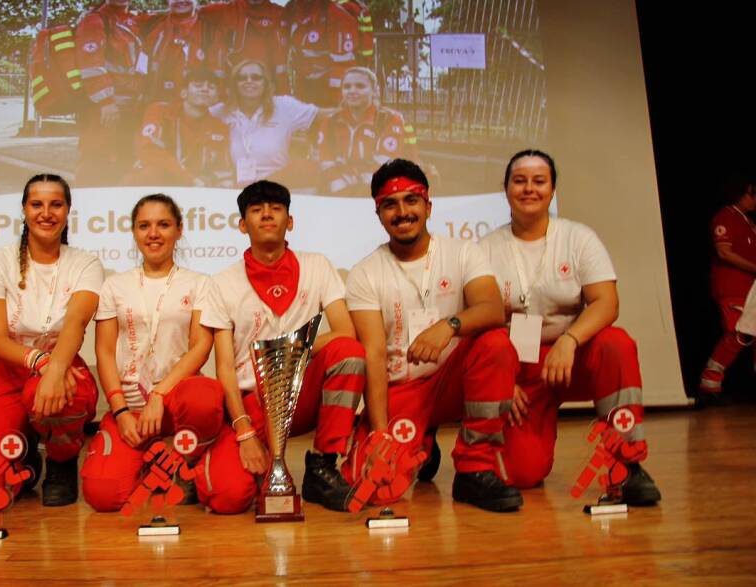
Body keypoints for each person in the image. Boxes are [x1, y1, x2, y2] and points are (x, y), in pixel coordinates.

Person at [479, 149, 661, 504]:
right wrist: (503, 378)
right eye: (519, 181)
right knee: (522, 475)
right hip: (522, 366)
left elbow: (607, 302)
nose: (529, 188)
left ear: (552, 189)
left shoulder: (578, 238)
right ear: (506, 190)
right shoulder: (486, 248)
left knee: (615, 343)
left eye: (539, 181)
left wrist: (570, 339)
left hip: (572, 357)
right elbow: (480, 320)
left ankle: (627, 465)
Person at [342, 159, 523, 513]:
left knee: (495, 342)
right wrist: (379, 433)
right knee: (373, 485)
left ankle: (475, 466)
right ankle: (423, 440)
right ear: (379, 214)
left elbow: (491, 308)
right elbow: (374, 354)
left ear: (428, 206)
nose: (402, 212)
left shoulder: (463, 252)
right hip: (405, 388)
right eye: (390, 204)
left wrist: (448, 326)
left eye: (412, 200)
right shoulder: (365, 273)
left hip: (456, 380)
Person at [195, 180, 367, 513]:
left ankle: (322, 464)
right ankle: (256, 465)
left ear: (290, 221)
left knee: (348, 352)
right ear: (242, 224)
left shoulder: (317, 265)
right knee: (227, 497)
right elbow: (225, 368)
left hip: (302, 391)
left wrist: (288, 354)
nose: (267, 216)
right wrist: (243, 430)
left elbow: (345, 330)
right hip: (255, 402)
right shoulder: (222, 283)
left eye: (276, 209)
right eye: (257, 210)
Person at [0, 174, 101, 515]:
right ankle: (23, 452)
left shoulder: (85, 263)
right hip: (6, 371)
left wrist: (54, 368)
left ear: (68, 210)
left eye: (56, 204)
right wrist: (41, 362)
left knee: (67, 390)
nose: (46, 212)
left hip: (62, 364)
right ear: (24, 210)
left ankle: (60, 460)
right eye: (37, 204)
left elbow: (76, 323)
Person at [81, 194, 223, 511]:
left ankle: (184, 462)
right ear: (134, 232)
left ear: (179, 230)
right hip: (130, 407)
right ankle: (149, 459)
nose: (153, 233)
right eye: (144, 226)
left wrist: (159, 394)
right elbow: (104, 352)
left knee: (204, 397)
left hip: (176, 398)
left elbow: (201, 346)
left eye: (163, 225)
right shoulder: (114, 286)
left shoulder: (199, 283)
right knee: (103, 495)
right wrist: (118, 411)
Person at [73, 0, 146, 184]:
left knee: (125, 162)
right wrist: (106, 102)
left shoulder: (132, 21)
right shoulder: (95, 21)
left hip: (129, 107)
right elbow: (90, 65)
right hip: (104, 109)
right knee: (97, 162)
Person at [211, 59, 322, 188]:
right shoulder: (221, 111)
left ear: (266, 83)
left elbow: (324, 115)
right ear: (234, 84)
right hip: (236, 188)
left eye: (256, 77)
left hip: (277, 186)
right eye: (242, 78)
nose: (249, 81)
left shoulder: (284, 106)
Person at [698, 173, 756, 405]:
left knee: (750, 334)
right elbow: (724, 251)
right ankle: (709, 384)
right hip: (732, 286)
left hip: (750, 287)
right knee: (738, 333)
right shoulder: (727, 216)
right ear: (743, 194)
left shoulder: (747, 221)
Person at [317, 66, 417, 196]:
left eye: (360, 86)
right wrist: (340, 186)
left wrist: (360, 191)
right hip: (338, 190)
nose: (352, 91)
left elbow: (384, 164)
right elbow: (325, 159)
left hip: (381, 190)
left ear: (374, 91)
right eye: (347, 87)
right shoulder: (330, 121)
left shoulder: (389, 119)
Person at [125, 67, 233, 188]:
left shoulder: (220, 128)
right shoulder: (159, 111)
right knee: (151, 172)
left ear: (216, 97)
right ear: (183, 93)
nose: (205, 89)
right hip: (151, 186)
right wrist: (189, 178)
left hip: (194, 191)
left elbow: (223, 168)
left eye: (211, 87)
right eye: (198, 85)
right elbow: (148, 150)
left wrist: (211, 179)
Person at [201, 0, 288, 94]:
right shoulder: (223, 11)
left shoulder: (282, 14)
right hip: (232, 88)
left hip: (268, 88)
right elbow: (183, 11)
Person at [282, 0, 360, 107]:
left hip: (328, 88)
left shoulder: (338, 16)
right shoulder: (290, 8)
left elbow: (343, 64)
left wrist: (337, 101)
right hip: (301, 84)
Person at [141, 0, 221, 105]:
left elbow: (217, 69)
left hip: (195, 103)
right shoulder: (153, 25)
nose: (181, 0)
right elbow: (142, 64)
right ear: (167, 1)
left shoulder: (210, 30)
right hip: (156, 98)